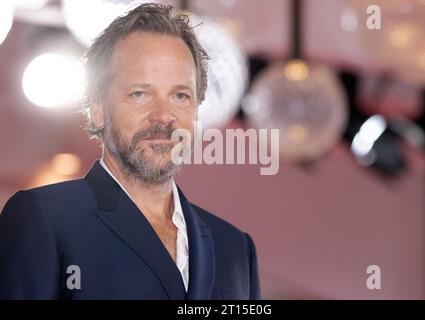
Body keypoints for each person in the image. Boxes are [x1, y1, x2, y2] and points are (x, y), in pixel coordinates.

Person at [0, 3, 260, 300]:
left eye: (180, 95)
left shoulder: (237, 249)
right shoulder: (44, 218)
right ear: (98, 110)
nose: (164, 115)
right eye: (140, 93)